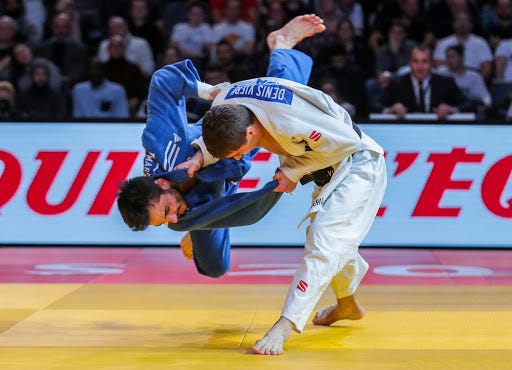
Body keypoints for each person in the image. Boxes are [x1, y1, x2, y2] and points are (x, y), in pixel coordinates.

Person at [200, 38, 387, 356]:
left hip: (357, 163)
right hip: (326, 168)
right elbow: (213, 90)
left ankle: (283, 326)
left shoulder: (289, 119)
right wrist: (196, 158)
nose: (239, 157)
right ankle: (347, 304)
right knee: (332, 240)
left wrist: (293, 172)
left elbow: (347, 141)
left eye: (240, 151)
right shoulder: (227, 103)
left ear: (249, 132)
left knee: (325, 242)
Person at [117, 15, 327, 277]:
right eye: (164, 221)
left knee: (280, 101)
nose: (173, 220)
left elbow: (163, 82)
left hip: (226, 136)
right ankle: (202, 224)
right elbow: (240, 210)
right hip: (218, 186)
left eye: (167, 211)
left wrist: (209, 91)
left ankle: (281, 44)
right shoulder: (179, 217)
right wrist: (276, 187)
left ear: (162, 184)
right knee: (214, 268)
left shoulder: (163, 146)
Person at [376, 44, 471, 119]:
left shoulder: (445, 82)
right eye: (415, 61)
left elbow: (469, 104)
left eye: (424, 61)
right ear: (410, 63)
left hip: (437, 130)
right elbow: (375, 104)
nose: (419, 66)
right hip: (405, 131)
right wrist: (390, 110)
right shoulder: (397, 82)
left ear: (431, 63)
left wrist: (452, 109)